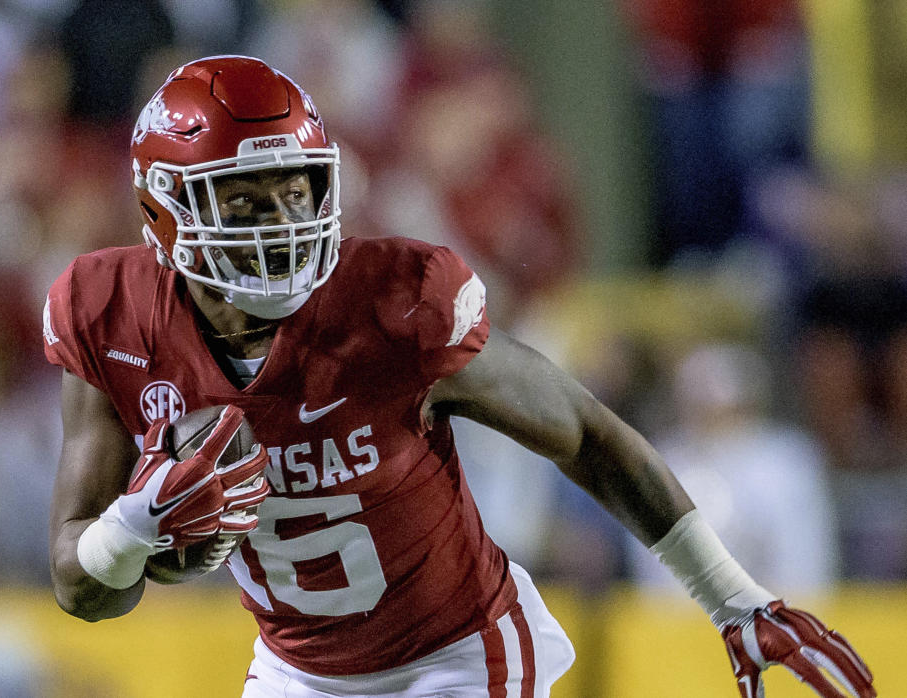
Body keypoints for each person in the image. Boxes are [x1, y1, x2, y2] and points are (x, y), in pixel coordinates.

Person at [43, 56, 875, 697]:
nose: (282, 228)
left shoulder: (394, 304)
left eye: (295, 195)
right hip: (300, 671)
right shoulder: (109, 315)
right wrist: (132, 529)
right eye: (246, 204)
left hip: (457, 654)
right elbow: (86, 595)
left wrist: (734, 601)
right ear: (162, 211)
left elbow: (583, 432)